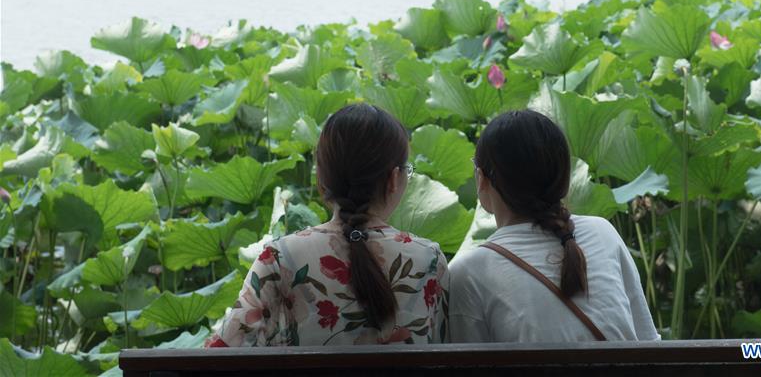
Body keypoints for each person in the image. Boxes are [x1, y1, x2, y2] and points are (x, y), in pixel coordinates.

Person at [207, 103, 449, 347]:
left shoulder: (279, 259)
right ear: (393, 179)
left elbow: (223, 352)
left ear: (321, 179)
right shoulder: (428, 260)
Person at [448, 109, 659, 343]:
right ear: (563, 175)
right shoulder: (603, 232)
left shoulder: (468, 272)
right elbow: (648, 341)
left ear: (481, 178)